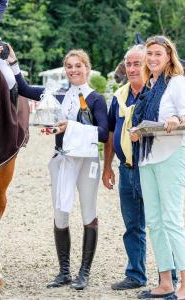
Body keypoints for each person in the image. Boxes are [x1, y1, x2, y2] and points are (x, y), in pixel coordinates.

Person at [8, 48, 109, 290]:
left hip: (87, 160)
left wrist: (70, 126)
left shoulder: (96, 99)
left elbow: (104, 133)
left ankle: (83, 272)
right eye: (70, 66)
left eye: (78, 65)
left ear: (87, 68)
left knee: (88, 212)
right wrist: (12, 62)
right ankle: (64, 271)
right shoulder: (57, 94)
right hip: (62, 159)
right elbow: (23, 89)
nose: (73, 70)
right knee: (60, 213)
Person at [102, 45, 177, 291]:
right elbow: (112, 131)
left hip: (151, 167)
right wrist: (107, 167)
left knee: (161, 223)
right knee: (132, 225)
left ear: (146, 64)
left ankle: (170, 275)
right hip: (126, 169)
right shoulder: (119, 96)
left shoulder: (157, 93)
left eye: (137, 63)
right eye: (129, 64)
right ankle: (136, 274)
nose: (133, 69)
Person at [130, 36, 185, 300]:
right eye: (150, 54)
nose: (153, 58)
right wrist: (137, 132)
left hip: (172, 155)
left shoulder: (178, 83)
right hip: (148, 158)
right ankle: (166, 282)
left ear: (169, 56)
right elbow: (146, 120)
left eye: (158, 54)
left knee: (172, 220)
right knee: (155, 223)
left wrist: (175, 119)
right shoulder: (149, 86)